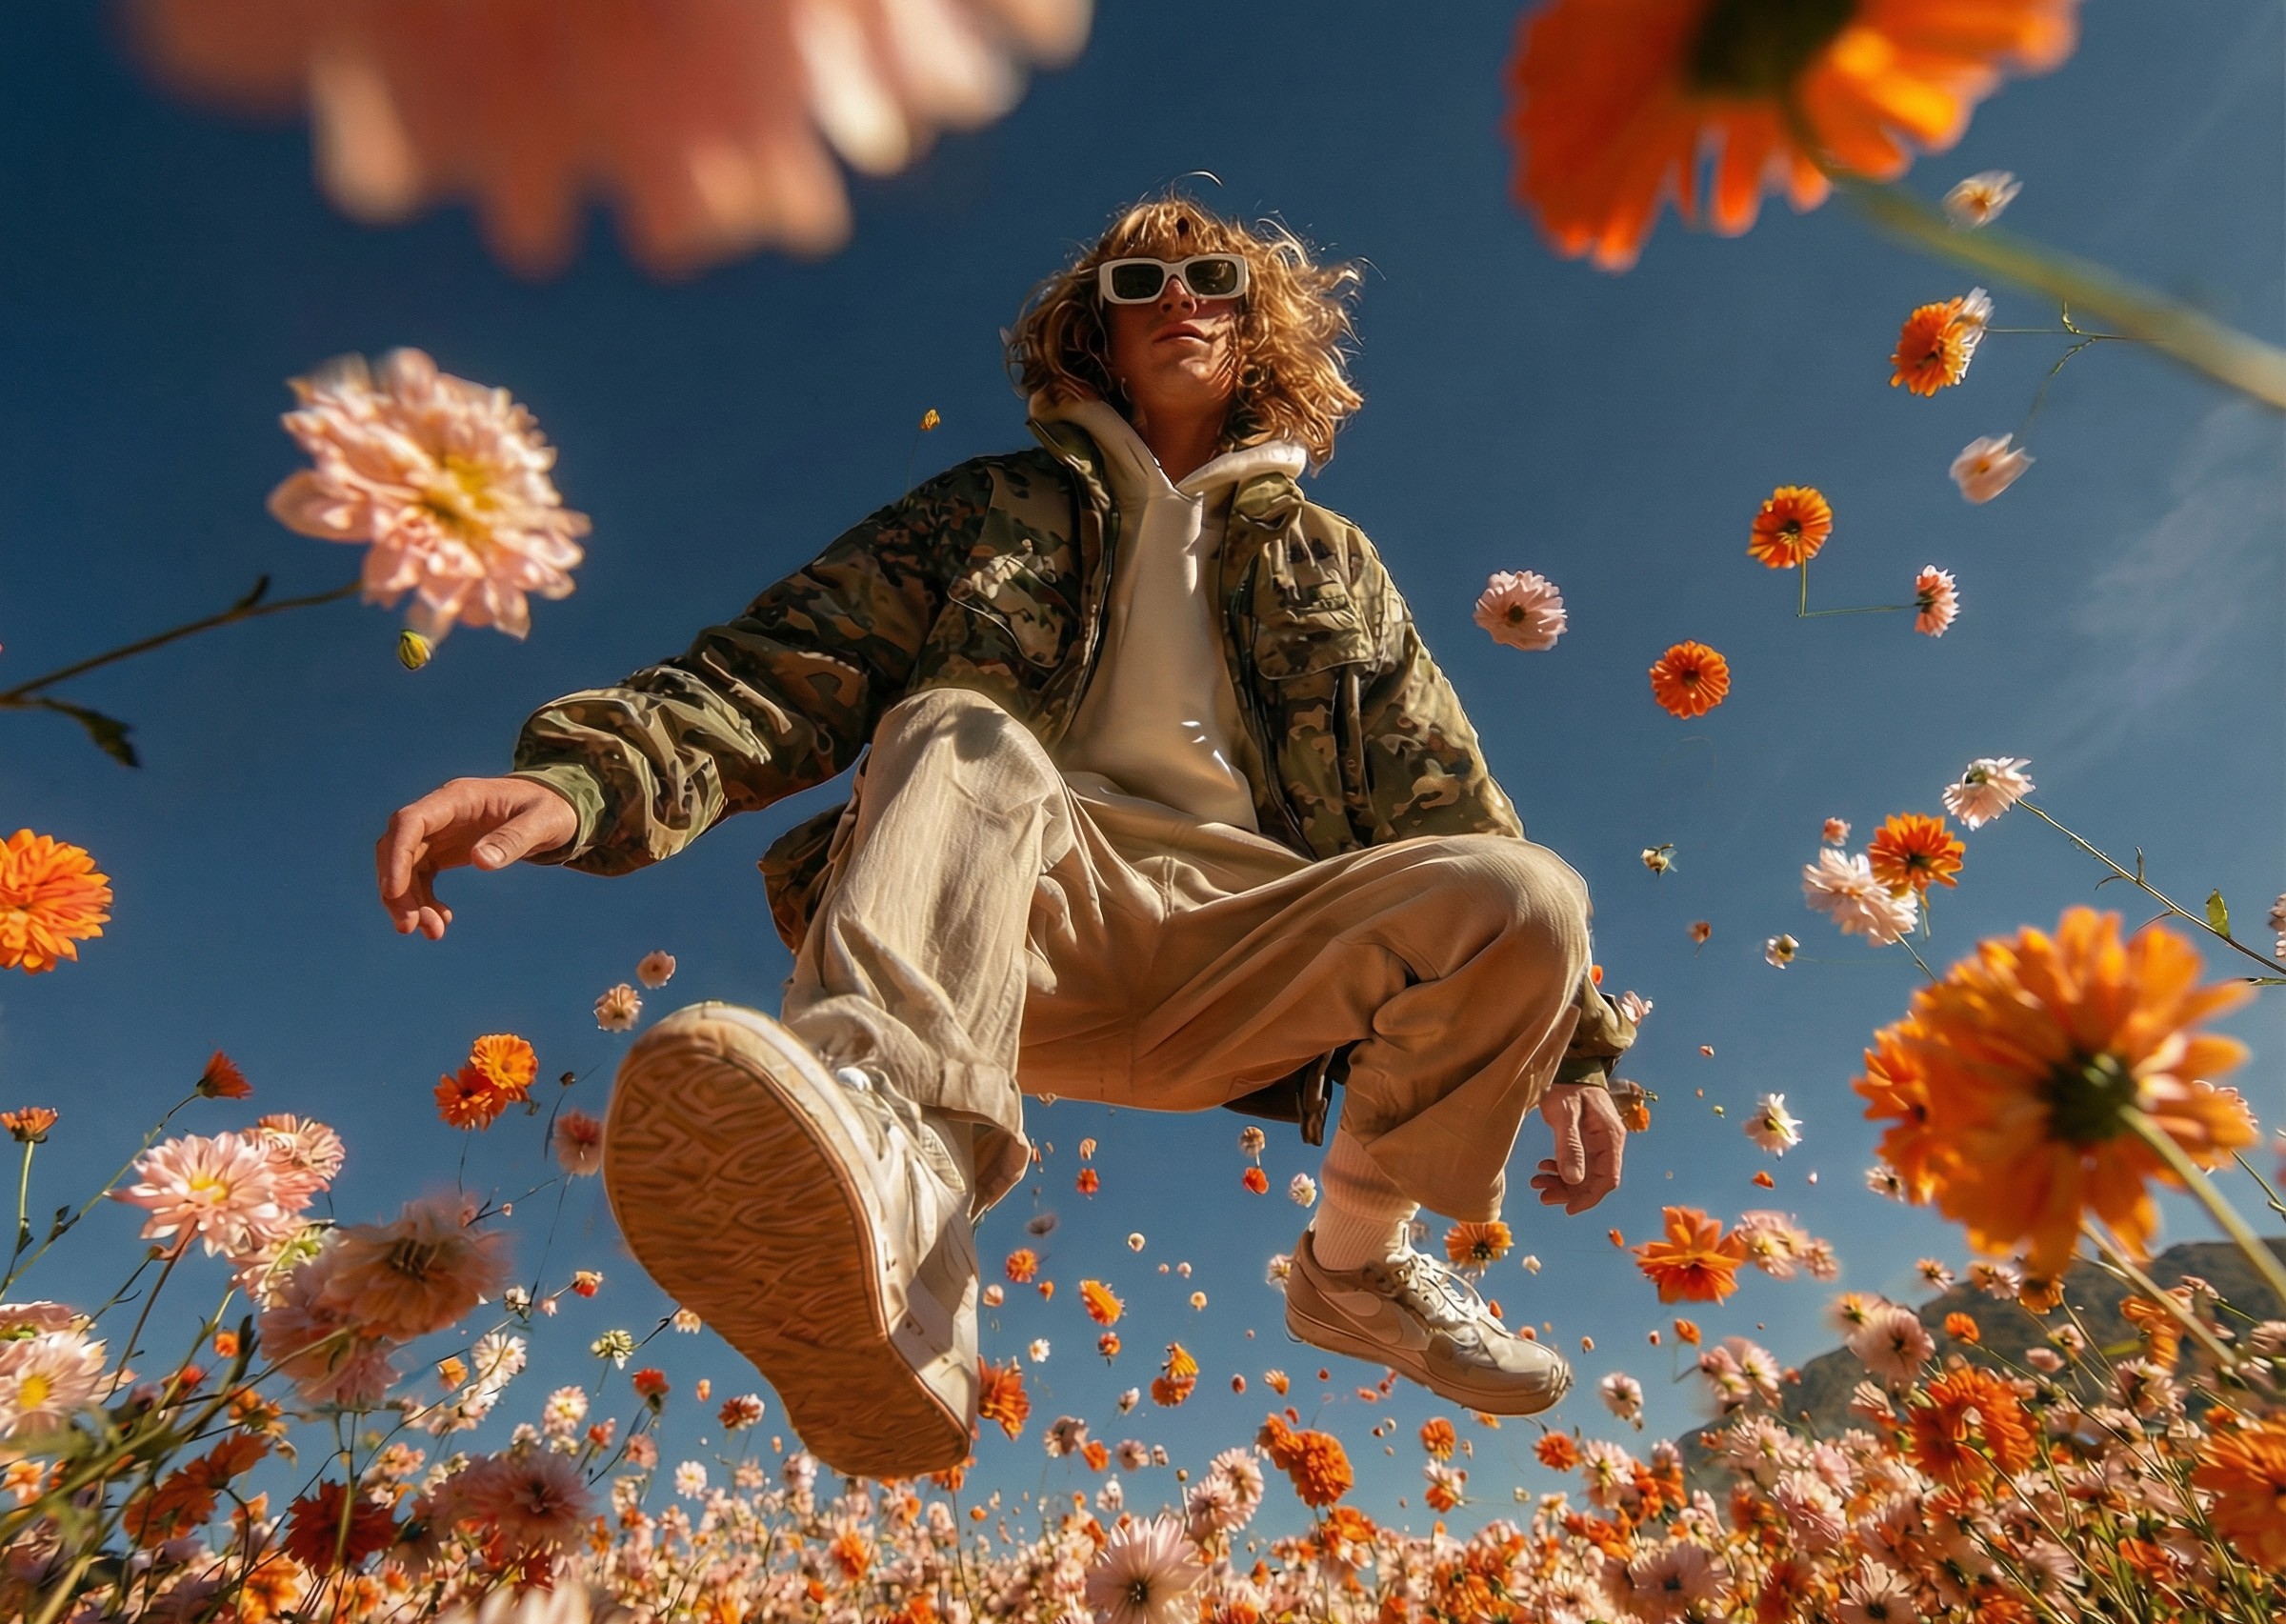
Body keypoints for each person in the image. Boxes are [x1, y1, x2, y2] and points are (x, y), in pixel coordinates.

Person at [375, 194, 1638, 1481]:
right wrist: (588, 781)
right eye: (1141, 280)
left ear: (1256, 328)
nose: (1181, 300)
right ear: (1095, 329)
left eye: (1212, 278)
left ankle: (1359, 1268)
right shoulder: (989, 508)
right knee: (959, 731)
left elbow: (1433, 782)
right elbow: (787, 666)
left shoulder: (1330, 560)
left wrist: (1573, 1045)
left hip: (1253, 959)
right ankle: (906, 1234)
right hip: (1018, 928)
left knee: (1522, 890)